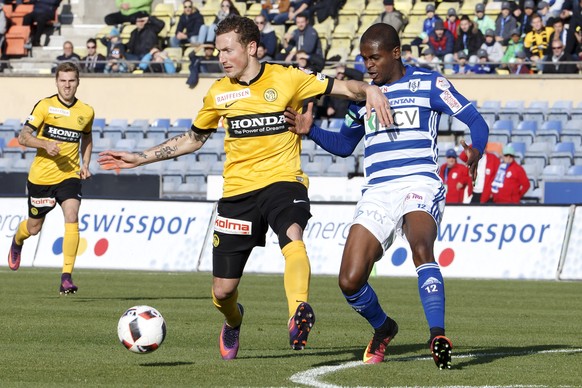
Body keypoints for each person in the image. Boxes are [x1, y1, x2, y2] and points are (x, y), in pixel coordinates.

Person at [98, 15, 393, 360]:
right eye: (217, 51)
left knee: (292, 234)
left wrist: (370, 88)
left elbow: (346, 87)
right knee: (222, 292)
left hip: (283, 181)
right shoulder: (219, 92)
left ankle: (298, 312)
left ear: (251, 48)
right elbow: (193, 139)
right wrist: (140, 158)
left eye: (227, 50)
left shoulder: (288, 78)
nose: (221, 58)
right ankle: (234, 321)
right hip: (237, 192)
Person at [283, 22, 488, 369]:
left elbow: (476, 121)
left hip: (419, 183)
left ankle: (437, 334)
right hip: (377, 191)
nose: (369, 65)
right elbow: (346, 146)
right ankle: (384, 328)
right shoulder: (364, 96)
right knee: (349, 280)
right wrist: (311, 130)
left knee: (421, 245)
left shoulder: (430, 84)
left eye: (374, 57)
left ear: (396, 53)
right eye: (364, 59)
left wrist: (476, 150)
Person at [7, 62, 94, 295]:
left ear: (78, 82)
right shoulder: (45, 106)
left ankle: (66, 276)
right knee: (34, 227)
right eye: (63, 81)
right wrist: (44, 143)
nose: (67, 85)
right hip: (41, 178)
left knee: (72, 215)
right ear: (56, 82)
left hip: (69, 175)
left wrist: (85, 164)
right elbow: (23, 137)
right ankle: (17, 240)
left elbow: (87, 138)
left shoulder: (86, 111)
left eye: (71, 81)